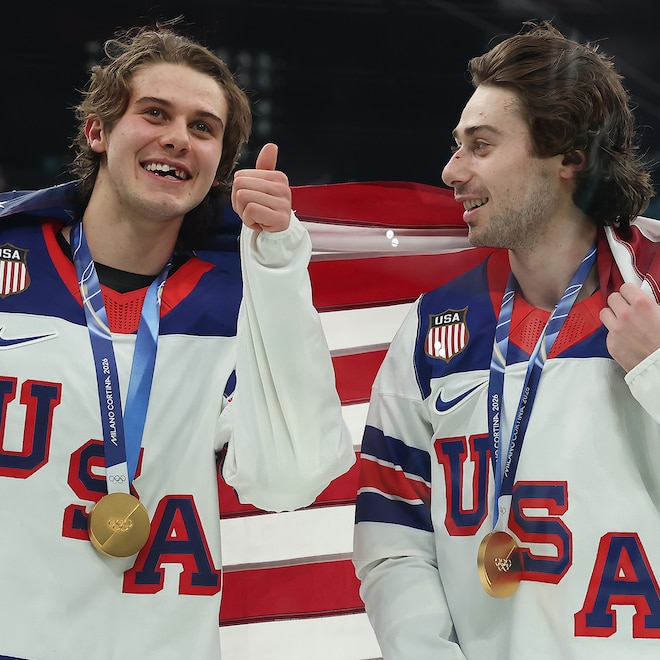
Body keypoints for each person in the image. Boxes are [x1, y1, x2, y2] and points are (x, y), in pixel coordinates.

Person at [0, 22, 354, 660]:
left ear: (219, 162)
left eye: (203, 127)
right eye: (154, 113)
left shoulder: (239, 299)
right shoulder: (8, 257)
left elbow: (290, 480)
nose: (177, 139)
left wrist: (277, 268)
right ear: (98, 130)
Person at [353, 20, 660, 659]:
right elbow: (393, 533)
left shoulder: (653, 280)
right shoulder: (430, 329)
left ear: (569, 155)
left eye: (481, 146)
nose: (450, 171)